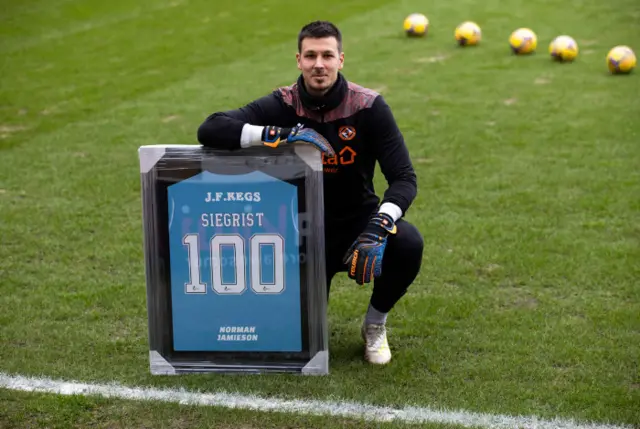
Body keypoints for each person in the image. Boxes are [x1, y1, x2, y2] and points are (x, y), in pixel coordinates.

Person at [197, 20, 424, 365]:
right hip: (295, 231)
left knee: (407, 243)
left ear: (341, 60)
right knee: (299, 339)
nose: (319, 63)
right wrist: (278, 134)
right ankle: (299, 312)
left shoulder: (368, 107)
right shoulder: (283, 104)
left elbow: (404, 178)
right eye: (311, 55)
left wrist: (380, 225)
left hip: (357, 225)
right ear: (299, 60)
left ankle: (375, 324)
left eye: (327, 55)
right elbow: (210, 128)